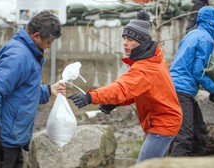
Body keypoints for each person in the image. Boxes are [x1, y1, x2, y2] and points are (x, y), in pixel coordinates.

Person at [68, 10, 183, 163]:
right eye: (124, 38)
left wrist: (90, 97)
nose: (125, 43)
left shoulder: (146, 68)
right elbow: (137, 91)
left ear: (142, 41)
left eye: (130, 39)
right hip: (166, 121)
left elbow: (121, 87)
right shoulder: (153, 59)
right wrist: (113, 102)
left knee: (144, 166)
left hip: (163, 125)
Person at [0, 11, 66, 168]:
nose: (49, 46)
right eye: (49, 41)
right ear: (36, 36)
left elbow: (22, 93)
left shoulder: (29, 53)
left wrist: (49, 91)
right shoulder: (19, 56)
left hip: (11, 139)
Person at [170, 6, 214, 156]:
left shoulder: (191, 34)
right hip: (182, 91)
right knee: (185, 136)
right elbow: (198, 71)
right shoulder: (206, 39)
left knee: (199, 133)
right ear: (212, 22)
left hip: (174, 87)